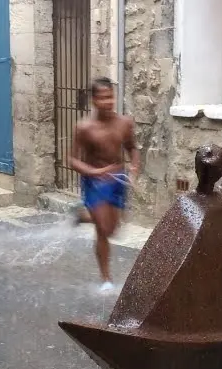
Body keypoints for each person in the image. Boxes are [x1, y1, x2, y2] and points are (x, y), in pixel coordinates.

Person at [70, 77, 140, 291]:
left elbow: (132, 148)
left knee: (113, 231)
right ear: (93, 100)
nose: (107, 102)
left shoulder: (124, 123)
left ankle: (83, 216)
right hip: (95, 183)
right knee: (103, 230)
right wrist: (95, 172)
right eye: (102, 98)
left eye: (110, 97)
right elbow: (72, 159)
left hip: (118, 181)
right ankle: (106, 279)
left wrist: (134, 169)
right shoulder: (84, 127)